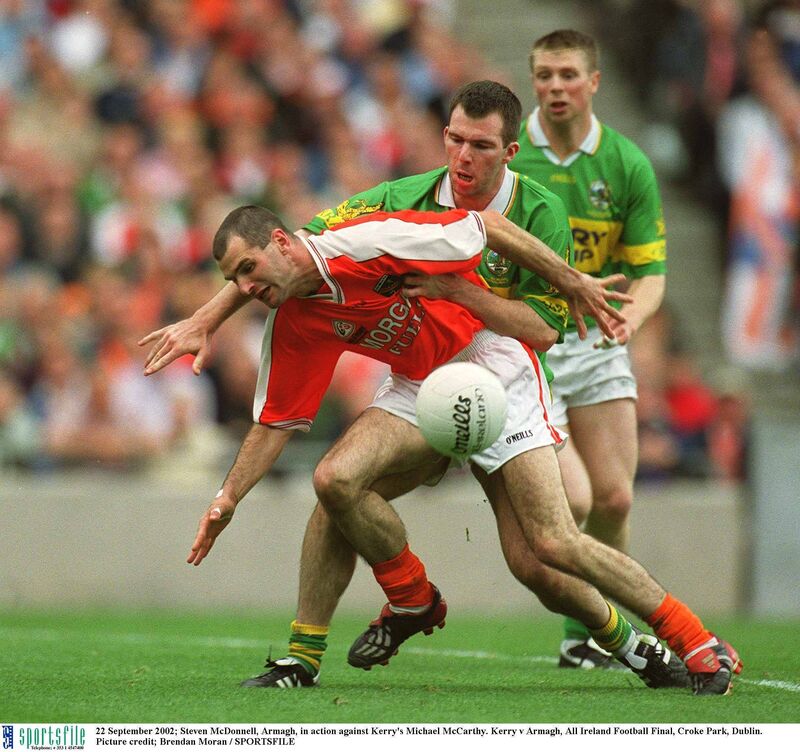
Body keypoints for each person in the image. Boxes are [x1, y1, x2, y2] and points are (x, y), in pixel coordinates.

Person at [141, 83, 740, 695]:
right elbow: (273, 414)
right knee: (334, 484)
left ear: (508, 152)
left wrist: (573, 282)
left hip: (494, 364)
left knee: (544, 552)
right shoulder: (308, 295)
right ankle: (360, 627)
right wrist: (226, 497)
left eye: (479, 144)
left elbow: (505, 263)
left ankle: (680, 640)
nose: (462, 156)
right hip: (419, 385)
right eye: (454, 140)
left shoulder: (400, 232)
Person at [509, 30, 671, 669]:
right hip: (533, 347)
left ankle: (585, 637)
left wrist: (633, 316)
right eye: (544, 75)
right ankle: (602, 630)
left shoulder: (627, 163)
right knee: (570, 501)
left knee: (615, 499)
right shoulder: (511, 160)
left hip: (599, 344)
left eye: (567, 75)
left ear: (594, 81)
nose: (554, 87)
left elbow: (650, 268)